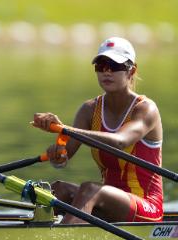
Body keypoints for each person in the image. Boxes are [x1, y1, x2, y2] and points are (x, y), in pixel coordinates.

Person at [33, 37, 163, 223]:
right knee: (56, 189)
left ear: (131, 70)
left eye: (114, 65)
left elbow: (120, 141)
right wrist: (58, 154)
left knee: (90, 189)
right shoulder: (89, 110)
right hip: (107, 202)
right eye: (101, 66)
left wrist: (64, 129)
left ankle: (64, 235)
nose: (107, 72)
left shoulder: (145, 109)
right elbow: (64, 154)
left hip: (146, 206)